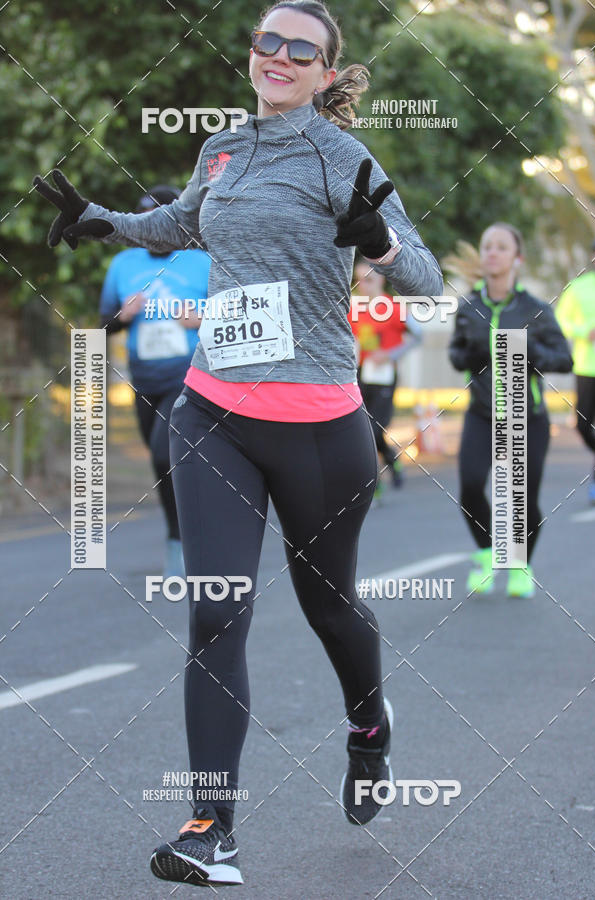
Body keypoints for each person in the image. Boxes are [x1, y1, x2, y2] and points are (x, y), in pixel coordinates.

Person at [34, 0, 442, 886]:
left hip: (320, 424)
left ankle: (369, 725)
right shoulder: (222, 147)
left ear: (326, 74)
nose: (280, 56)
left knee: (331, 607)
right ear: (252, 51)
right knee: (217, 609)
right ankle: (210, 828)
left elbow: (423, 272)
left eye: (302, 49)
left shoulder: (343, 158)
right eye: (269, 41)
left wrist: (378, 240)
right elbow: (183, 224)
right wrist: (104, 218)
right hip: (213, 410)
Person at [448, 223, 572, 599]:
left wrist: (533, 354)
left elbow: (565, 359)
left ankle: (520, 564)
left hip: (526, 417)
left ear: (517, 258)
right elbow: (455, 354)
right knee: (471, 486)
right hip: (482, 414)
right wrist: (469, 355)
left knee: (523, 499)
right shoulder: (469, 308)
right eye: (487, 246)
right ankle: (487, 553)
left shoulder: (536, 310)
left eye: (501, 247)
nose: (492, 252)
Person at [99, 186, 210, 577]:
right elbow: (102, 326)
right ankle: (181, 534)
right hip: (144, 380)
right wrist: (123, 316)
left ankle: (182, 543)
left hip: (190, 377)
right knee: (162, 462)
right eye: (146, 219)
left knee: (167, 454)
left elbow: (233, 315)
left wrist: (202, 318)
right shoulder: (122, 265)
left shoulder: (202, 261)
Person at [350, 256, 422, 494]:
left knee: (374, 429)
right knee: (363, 429)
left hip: (386, 377)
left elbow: (419, 336)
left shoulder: (394, 308)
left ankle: (378, 477)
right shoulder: (355, 309)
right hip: (362, 375)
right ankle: (385, 468)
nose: (363, 286)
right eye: (359, 280)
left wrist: (390, 355)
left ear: (381, 279)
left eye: (369, 280)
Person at [556, 238, 595, 504]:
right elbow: (561, 320)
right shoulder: (579, 287)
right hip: (586, 366)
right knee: (582, 425)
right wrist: (584, 331)